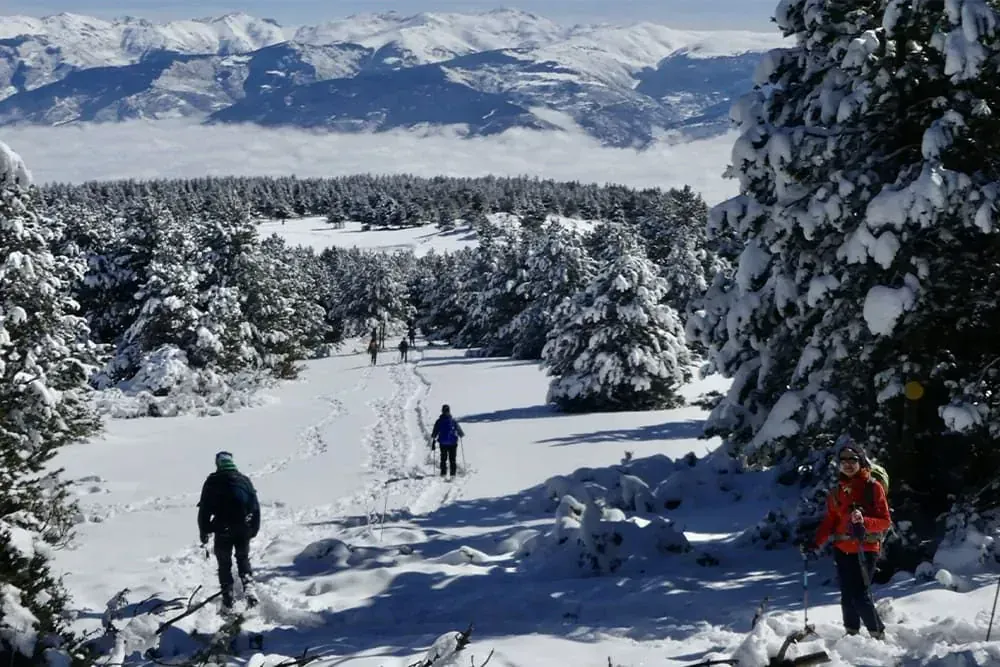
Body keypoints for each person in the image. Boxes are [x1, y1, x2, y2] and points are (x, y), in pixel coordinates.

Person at [805, 435, 890, 639]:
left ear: (861, 461)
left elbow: (885, 521)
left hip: (866, 547)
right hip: (842, 549)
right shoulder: (837, 492)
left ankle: (877, 634)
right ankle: (851, 634)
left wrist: (864, 522)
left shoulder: (873, 488)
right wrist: (815, 542)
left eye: (852, 460)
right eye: (843, 461)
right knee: (846, 595)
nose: (848, 464)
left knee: (860, 595)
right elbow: (830, 521)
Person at [198, 451, 261, 609]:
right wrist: (253, 529)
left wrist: (204, 531)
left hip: (222, 528)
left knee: (224, 563)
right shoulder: (244, 480)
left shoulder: (212, 481)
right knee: (243, 558)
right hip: (243, 528)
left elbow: (204, 510)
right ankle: (249, 587)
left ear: (218, 464)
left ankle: (228, 596)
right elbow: (255, 506)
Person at [430, 404, 465, 477]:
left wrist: (433, 440)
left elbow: (435, 432)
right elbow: (460, 431)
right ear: (449, 411)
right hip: (453, 443)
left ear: (442, 411)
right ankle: (453, 474)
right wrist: (461, 434)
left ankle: (443, 473)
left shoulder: (439, 421)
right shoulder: (453, 421)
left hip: (443, 442)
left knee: (443, 458)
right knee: (452, 459)